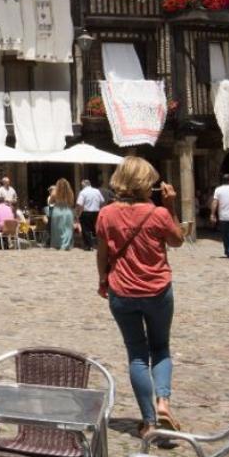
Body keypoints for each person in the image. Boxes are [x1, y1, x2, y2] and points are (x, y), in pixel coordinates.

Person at [95, 156, 185, 438]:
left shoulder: (106, 214)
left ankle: (148, 422)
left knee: (136, 355)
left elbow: (102, 253)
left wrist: (102, 280)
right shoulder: (157, 213)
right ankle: (163, 402)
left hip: (121, 290)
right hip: (158, 289)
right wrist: (170, 206)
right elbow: (178, 239)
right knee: (160, 348)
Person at [76, 179, 104, 252]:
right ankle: (98, 245)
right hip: (96, 212)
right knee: (96, 229)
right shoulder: (97, 191)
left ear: (83, 185)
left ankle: (89, 245)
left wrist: (78, 213)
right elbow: (102, 201)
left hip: (86, 212)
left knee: (86, 229)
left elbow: (80, 204)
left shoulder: (83, 192)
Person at [49, 178, 76, 251]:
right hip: (67, 211)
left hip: (57, 211)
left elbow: (50, 202)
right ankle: (65, 245)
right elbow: (72, 203)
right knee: (68, 229)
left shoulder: (55, 192)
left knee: (57, 229)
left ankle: (57, 244)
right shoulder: (70, 192)